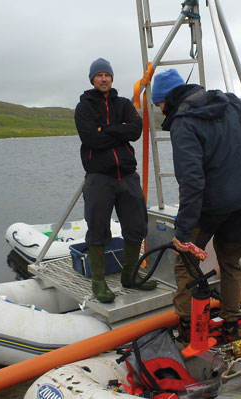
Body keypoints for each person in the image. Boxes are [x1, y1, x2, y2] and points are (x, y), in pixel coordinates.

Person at [150, 69, 241, 342]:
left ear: (167, 99)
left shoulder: (183, 123)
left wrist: (182, 234)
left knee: (186, 264)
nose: (158, 109)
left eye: (158, 103)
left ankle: (188, 327)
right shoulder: (229, 102)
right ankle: (232, 324)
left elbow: (192, 183)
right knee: (231, 263)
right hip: (240, 202)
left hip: (208, 208)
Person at [74, 58, 157, 303]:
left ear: (112, 78)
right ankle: (98, 283)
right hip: (100, 178)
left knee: (137, 227)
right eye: (99, 75)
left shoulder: (122, 103)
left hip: (127, 176)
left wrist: (105, 130)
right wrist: (117, 131)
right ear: (92, 79)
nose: (104, 79)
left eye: (107, 75)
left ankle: (129, 276)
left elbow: (135, 130)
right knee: (98, 230)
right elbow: (91, 139)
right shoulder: (84, 107)